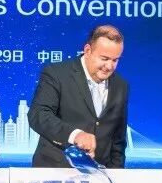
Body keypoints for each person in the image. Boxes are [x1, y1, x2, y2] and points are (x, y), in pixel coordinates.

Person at [28, 24, 130, 168]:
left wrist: (116, 173)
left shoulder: (121, 85)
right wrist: (75, 135)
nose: (109, 66)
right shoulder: (57, 73)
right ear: (87, 51)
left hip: (99, 174)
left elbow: (118, 139)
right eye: (104, 58)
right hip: (55, 170)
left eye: (115, 60)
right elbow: (39, 115)